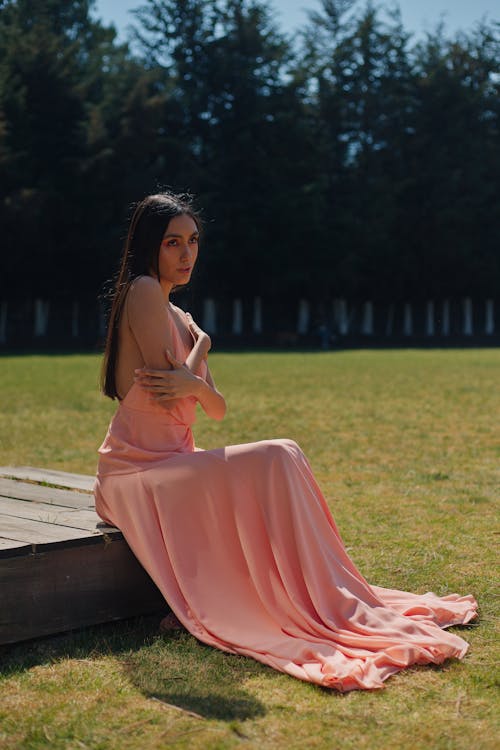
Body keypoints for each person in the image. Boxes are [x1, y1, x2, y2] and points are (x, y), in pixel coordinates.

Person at [94, 191, 477, 692]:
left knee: (284, 451)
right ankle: (309, 597)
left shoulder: (177, 313)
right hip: (135, 472)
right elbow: (177, 399)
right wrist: (202, 352)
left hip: (172, 464)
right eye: (173, 243)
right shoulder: (144, 290)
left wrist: (195, 372)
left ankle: (317, 592)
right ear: (150, 246)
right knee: (278, 452)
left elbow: (215, 407)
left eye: (193, 241)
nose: (187, 254)